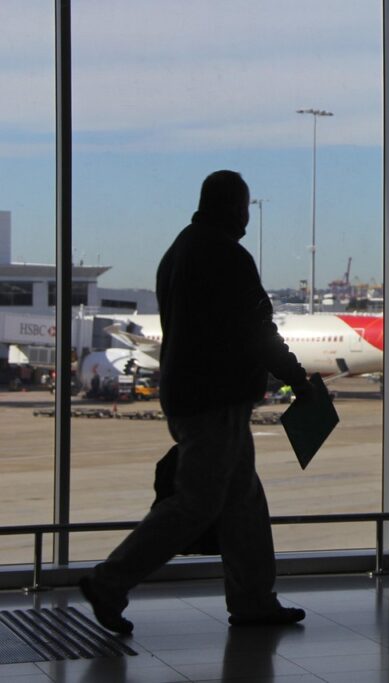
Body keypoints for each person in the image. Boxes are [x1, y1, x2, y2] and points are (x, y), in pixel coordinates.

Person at [79, 170, 312, 634]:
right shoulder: (227, 255)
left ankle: (253, 600)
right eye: (245, 208)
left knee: (242, 502)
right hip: (216, 399)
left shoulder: (180, 250)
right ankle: (110, 580)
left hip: (190, 393)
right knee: (197, 504)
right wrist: (297, 380)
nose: (247, 217)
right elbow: (257, 330)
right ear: (231, 207)